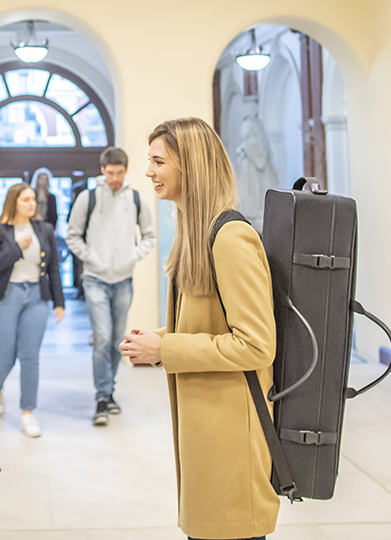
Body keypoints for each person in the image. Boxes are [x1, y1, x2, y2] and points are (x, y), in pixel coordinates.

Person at [119, 117, 278, 540]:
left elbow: (257, 345)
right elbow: (205, 323)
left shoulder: (229, 238)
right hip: (209, 429)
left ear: (190, 166)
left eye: (158, 161)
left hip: (232, 435)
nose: (149, 171)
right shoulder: (194, 232)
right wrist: (158, 338)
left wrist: (165, 350)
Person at [66, 147, 156, 426]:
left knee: (118, 340)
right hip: (94, 278)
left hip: (123, 280)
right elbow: (72, 236)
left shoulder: (136, 199)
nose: (115, 178)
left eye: (119, 173)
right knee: (102, 337)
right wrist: (93, 258)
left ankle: (110, 390)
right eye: (110, 173)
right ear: (102, 171)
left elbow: (150, 236)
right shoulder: (88, 198)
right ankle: (102, 396)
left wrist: (132, 255)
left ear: (126, 170)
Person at [0, 182, 64, 438]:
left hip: (36, 296)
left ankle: (28, 412)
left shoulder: (44, 229)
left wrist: (59, 302)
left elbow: (54, 268)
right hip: (5, 296)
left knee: (30, 357)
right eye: (25, 200)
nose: (31, 204)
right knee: (5, 356)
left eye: (32, 200)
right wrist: (18, 247)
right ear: (13, 201)